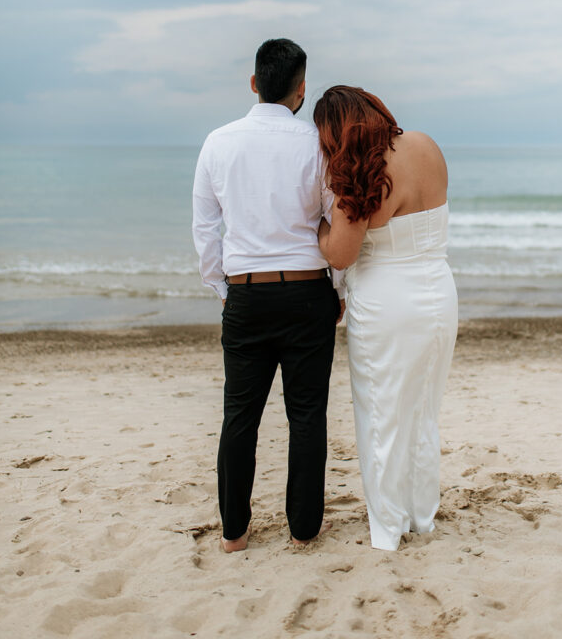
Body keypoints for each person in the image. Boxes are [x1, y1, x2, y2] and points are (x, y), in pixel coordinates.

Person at [192, 39, 344, 553]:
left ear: (255, 83)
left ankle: (234, 533)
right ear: (301, 89)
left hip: (247, 297)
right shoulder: (316, 144)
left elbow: (205, 227)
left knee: (240, 415)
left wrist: (221, 289)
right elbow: (334, 222)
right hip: (307, 295)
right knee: (307, 414)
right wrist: (338, 290)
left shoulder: (218, 142)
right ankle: (304, 530)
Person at [314, 85, 458, 551]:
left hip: (388, 304)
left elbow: (340, 254)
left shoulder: (359, 174)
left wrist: (319, 226)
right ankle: (421, 517)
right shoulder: (425, 144)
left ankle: (387, 532)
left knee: (381, 416)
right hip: (439, 291)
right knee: (422, 411)